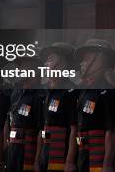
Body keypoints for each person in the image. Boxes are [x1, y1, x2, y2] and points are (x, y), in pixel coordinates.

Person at [71, 39, 115, 172]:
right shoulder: (83, 92)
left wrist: (107, 164)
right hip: (83, 155)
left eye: (86, 60)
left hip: (98, 158)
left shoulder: (108, 93)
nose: (82, 63)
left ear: (98, 62)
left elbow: (111, 132)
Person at [34, 42, 79, 172]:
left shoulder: (71, 91)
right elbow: (42, 128)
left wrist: (69, 161)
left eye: (51, 59)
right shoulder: (45, 91)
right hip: (45, 152)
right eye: (47, 59)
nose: (47, 63)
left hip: (61, 152)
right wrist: (37, 160)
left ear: (63, 63)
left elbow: (74, 129)